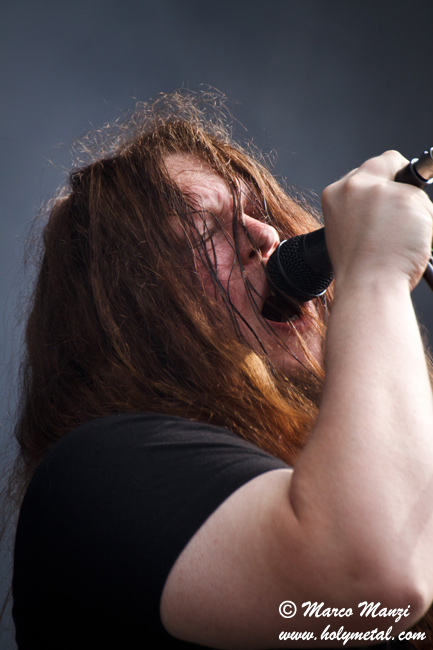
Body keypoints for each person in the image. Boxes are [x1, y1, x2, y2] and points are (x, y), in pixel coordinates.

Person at [10, 90, 433, 649]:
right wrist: (375, 273)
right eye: (207, 231)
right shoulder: (95, 472)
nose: (267, 237)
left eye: (262, 213)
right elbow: (369, 584)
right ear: (126, 309)